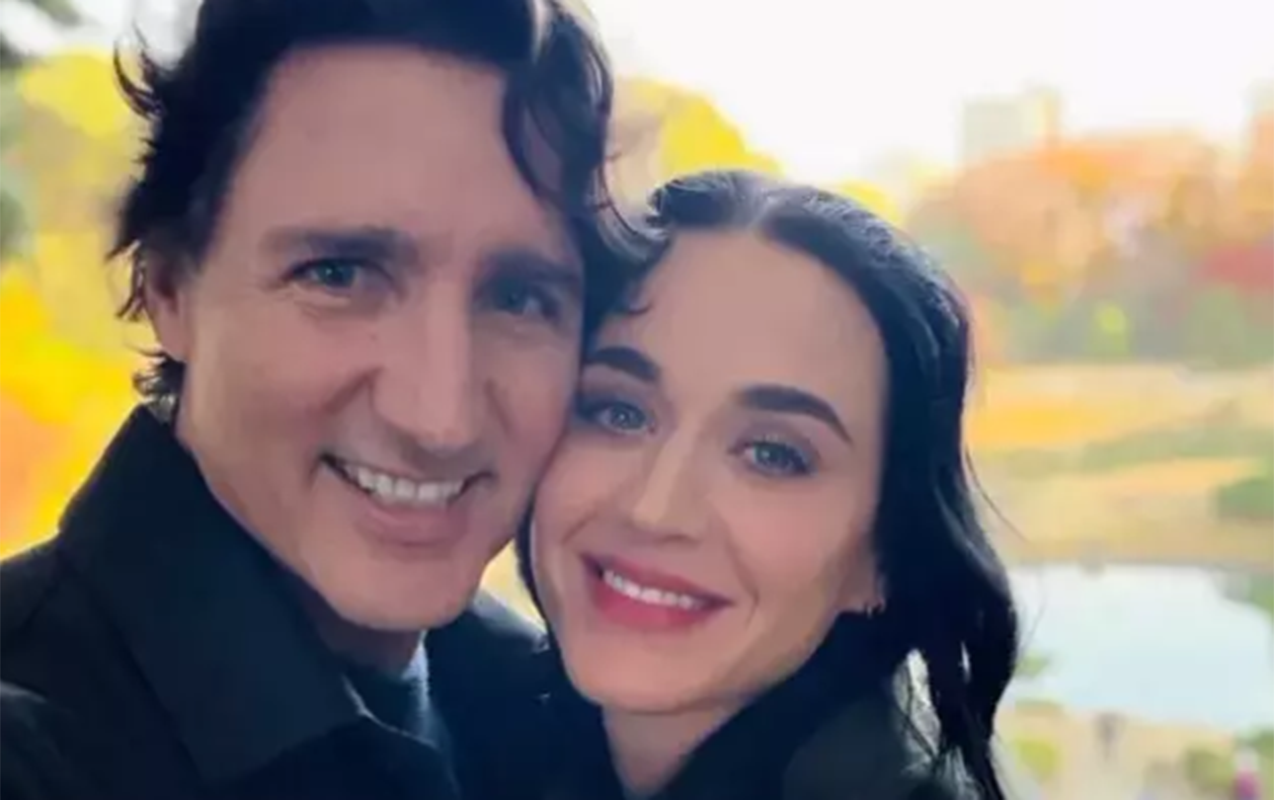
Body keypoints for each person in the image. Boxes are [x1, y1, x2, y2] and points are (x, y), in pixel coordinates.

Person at [0, 1, 645, 798]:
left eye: (518, 298)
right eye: (339, 275)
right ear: (168, 287)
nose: (439, 418)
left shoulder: (569, 719)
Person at [518, 170, 1021, 799]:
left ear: (885, 557)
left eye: (772, 455)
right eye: (620, 412)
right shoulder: (489, 727)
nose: (654, 509)